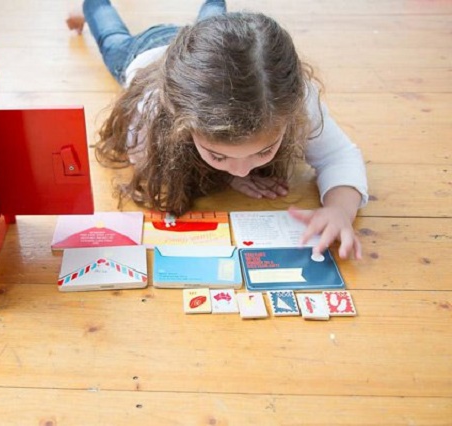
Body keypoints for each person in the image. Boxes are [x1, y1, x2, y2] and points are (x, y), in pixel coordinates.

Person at [67, 0, 368, 260]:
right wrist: (227, 180)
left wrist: (340, 209)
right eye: (219, 156)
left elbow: (339, 155)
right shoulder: (150, 116)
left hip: (210, 54)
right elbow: (149, 170)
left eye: (263, 150)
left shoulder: (293, 97)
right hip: (144, 53)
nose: (240, 171)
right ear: (180, 125)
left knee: (213, 17)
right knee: (111, 36)